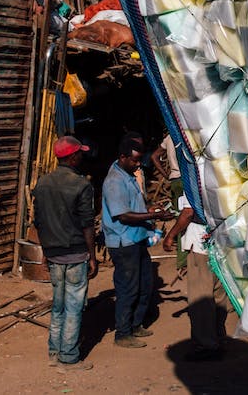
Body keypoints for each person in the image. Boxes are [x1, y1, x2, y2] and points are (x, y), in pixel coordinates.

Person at [32, 135, 98, 370]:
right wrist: (92, 256)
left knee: (58, 305)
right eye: (80, 152)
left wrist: (45, 252)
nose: (82, 156)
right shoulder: (81, 184)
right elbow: (87, 224)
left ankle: (54, 351)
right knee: (73, 306)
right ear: (72, 157)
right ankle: (69, 357)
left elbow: (38, 222)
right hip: (75, 254)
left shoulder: (42, 183)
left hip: (53, 254)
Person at [102, 136, 172, 349]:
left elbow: (135, 207)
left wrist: (151, 210)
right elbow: (123, 216)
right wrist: (155, 217)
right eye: (134, 160)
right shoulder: (114, 181)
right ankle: (122, 333)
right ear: (122, 157)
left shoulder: (129, 175)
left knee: (144, 284)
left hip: (136, 238)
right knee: (128, 288)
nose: (138, 164)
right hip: (123, 242)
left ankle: (135, 324)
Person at [161, 191, 228, 361]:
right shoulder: (218, 174)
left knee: (201, 298)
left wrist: (170, 235)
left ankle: (206, 345)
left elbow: (188, 212)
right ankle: (218, 336)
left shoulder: (194, 176)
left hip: (200, 243)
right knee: (218, 294)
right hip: (220, 241)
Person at [152, 134, 186, 274]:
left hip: (175, 181)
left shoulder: (169, 137)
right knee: (186, 219)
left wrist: (167, 175)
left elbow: (154, 156)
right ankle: (183, 261)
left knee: (180, 218)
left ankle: (182, 259)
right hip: (185, 181)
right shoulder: (185, 133)